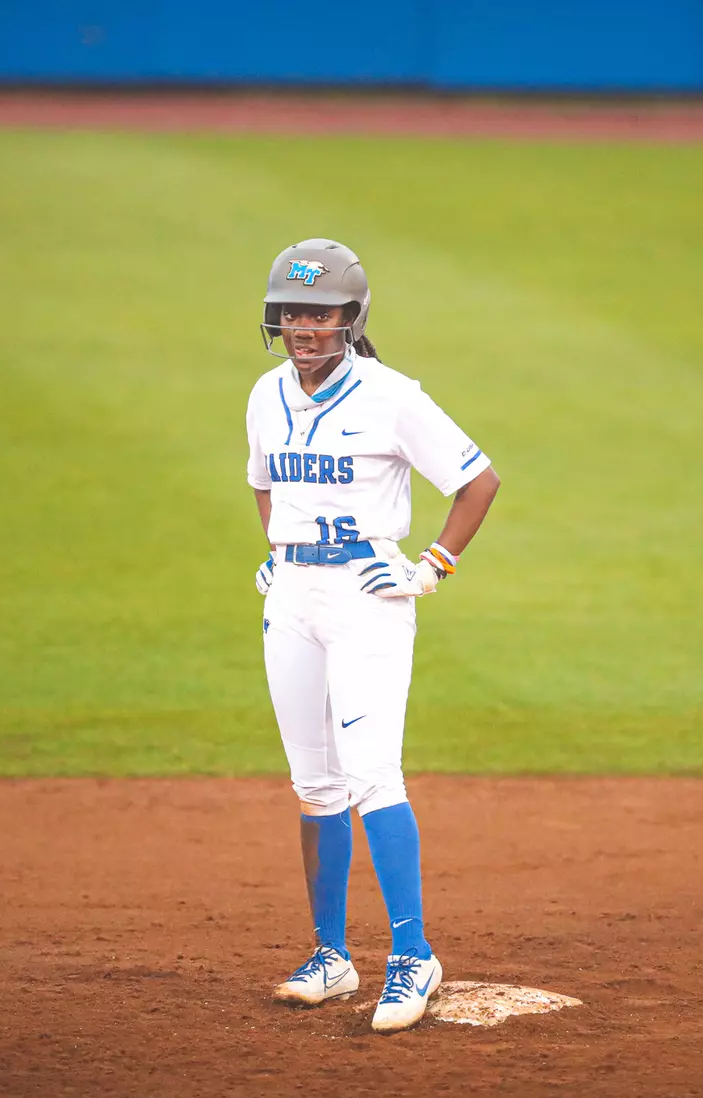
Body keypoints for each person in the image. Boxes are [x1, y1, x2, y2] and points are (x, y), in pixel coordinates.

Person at [244, 238, 500, 1033]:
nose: (305, 328)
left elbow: (477, 480)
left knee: (371, 775)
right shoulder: (263, 393)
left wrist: (431, 567)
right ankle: (331, 956)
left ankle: (413, 956)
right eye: (293, 313)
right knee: (314, 784)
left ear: (351, 319)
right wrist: (281, 555)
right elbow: (264, 483)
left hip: (367, 597)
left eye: (320, 314)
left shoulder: (391, 396)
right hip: (293, 600)